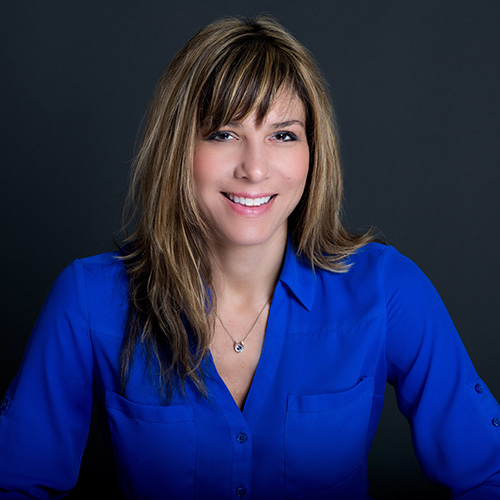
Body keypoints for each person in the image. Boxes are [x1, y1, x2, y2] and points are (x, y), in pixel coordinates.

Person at [1, 15, 499, 500]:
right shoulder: (88, 300)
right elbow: (14, 483)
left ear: (312, 152)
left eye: (283, 134)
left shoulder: (385, 290)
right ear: (178, 148)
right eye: (223, 133)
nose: (255, 168)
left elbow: (488, 474)